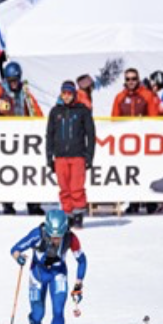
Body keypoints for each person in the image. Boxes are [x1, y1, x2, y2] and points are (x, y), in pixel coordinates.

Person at [10, 209, 87, 324]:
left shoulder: (71, 238)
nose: (56, 239)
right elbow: (14, 249)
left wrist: (78, 284)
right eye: (53, 235)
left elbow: (82, 260)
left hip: (58, 274)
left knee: (58, 311)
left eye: (59, 235)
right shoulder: (37, 234)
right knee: (38, 313)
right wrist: (19, 258)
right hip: (38, 274)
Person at [0, 62, 44, 216]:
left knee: (29, 171)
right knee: (8, 171)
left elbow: (36, 109)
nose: (14, 83)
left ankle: (33, 204)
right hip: (6, 137)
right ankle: (8, 204)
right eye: (11, 81)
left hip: (23, 136)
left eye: (16, 80)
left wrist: (41, 123)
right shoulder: (0, 88)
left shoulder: (25, 91)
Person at [46, 81, 96, 229]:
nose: (66, 96)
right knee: (64, 188)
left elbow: (91, 135)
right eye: (64, 93)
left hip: (78, 156)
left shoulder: (82, 111)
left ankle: (78, 215)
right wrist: (49, 157)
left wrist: (89, 156)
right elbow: (49, 135)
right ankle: (67, 216)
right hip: (60, 157)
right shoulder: (55, 111)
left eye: (69, 93)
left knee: (76, 187)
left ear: (74, 94)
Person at [113, 68, 159, 214]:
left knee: (147, 168)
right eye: (128, 79)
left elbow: (154, 118)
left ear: (138, 79)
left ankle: (150, 202)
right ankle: (133, 202)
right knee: (131, 171)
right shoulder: (120, 97)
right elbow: (114, 119)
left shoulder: (147, 95)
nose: (131, 82)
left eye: (133, 79)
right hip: (127, 141)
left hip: (144, 140)